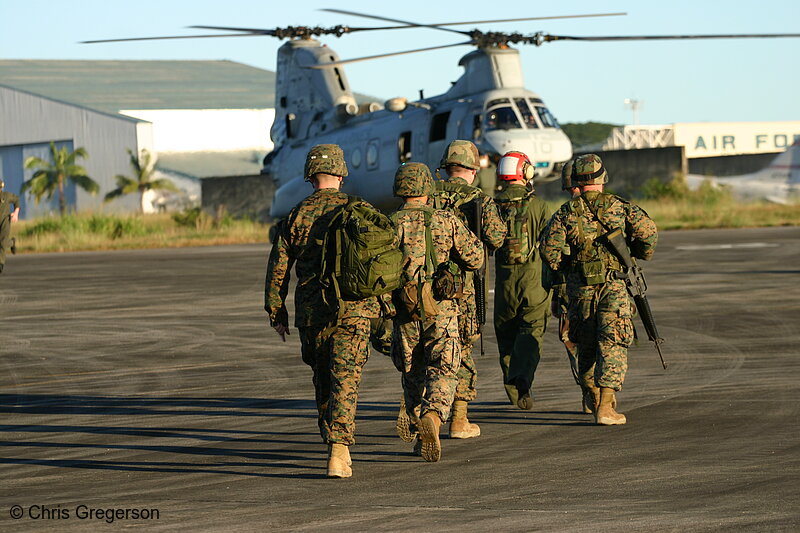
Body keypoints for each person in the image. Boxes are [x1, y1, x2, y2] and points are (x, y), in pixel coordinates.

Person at [264, 144, 383, 477]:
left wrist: (276, 311)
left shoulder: (296, 215)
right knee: (345, 378)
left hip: (312, 313)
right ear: (342, 175)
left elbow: (278, 268)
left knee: (323, 377)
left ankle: (332, 439)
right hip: (354, 309)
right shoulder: (359, 210)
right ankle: (339, 448)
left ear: (309, 176)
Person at [540, 154, 658, 425]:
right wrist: (636, 255)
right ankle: (606, 405)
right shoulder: (620, 206)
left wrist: (568, 268)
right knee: (613, 341)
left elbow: (548, 250)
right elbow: (648, 234)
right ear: (602, 178)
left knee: (587, 343)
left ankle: (592, 395)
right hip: (613, 284)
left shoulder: (565, 213)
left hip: (580, 288)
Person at [390, 162, 484, 462]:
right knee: (444, 367)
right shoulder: (445, 221)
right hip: (441, 307)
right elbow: (476, 258)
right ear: (427, 188)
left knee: (412, 369)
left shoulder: (388, 224)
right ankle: (433, 416)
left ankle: (418, 428)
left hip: (404, 308)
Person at [427, 139, 506, 439]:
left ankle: (425, 413)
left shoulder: (428, 195)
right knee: (460, 349)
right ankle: (459, 419)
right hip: (465, 289)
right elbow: (497, 239)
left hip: (428, 287)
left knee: (430, 350)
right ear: (473, 170)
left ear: (447, 168)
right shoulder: (480, 200)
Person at [492, 151, 551, 410]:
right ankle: (524, 377)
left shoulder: (491, 205)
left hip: (504, 284)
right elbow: (552, 245)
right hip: (534, 281)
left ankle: (514, 390)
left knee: (506, 337)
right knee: (531, 331)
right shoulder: (539, 206)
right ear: (525, 172)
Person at [545, 160, 590, 413]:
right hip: (607, 288)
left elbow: (549, 256)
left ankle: (589, 391)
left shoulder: (563, 215)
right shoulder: (612, 209)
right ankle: (602, 392)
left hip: (569, 289)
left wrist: (554, 292)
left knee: (573, 340)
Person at [0, 177, 20, 274]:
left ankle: (1, 263)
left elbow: (16, 199)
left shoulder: (6, 196)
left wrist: (15, 213)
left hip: (5, 221)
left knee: (2, 242)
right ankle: (12, 242)